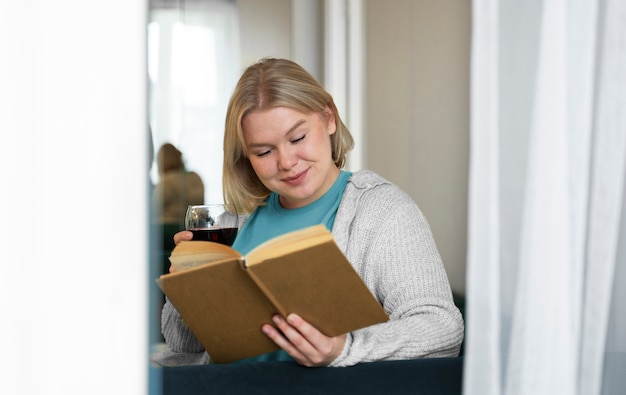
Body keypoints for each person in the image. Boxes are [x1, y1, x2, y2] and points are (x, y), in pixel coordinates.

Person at [154, 58, 464, 368]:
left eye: (298, 138)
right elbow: (185, 346)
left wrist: (343, 350)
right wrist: (190, 289)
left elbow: (442, 328)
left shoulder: (382, 212)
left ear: (329, 118)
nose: (286, 162)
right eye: (263, 152)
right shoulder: (235, 221)